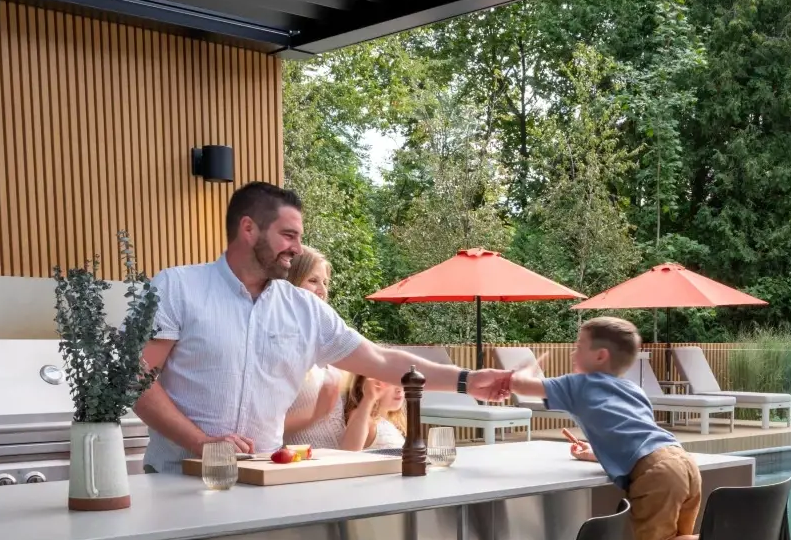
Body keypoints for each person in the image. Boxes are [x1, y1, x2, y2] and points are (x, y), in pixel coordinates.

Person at [134, 181, 510, 472]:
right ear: (248, 229)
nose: (298, 248)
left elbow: (380, 360)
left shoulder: (304, 310)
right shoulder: (177, 288)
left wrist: (467, 380)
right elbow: (136, 378)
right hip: (174, 477)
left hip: (264, 480)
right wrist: (201, 443)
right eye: (288, 235)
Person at [509, 317, 791, 540]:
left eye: (579, 346)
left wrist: (526, 369)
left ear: (600, 356)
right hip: (682, 462)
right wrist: (595, 453)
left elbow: (520, 386)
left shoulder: (578, 384)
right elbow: (639, 438)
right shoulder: (633, 389)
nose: (573, 351)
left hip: (657, 474)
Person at [282, 245, 406, 452]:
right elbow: (261, 428)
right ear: (290, 283)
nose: (322, 290)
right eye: (313, 281)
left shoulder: (330, 341)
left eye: (325, 282)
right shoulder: (276, 347)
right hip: (301, 464)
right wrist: (314, 415)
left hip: (340, 462)